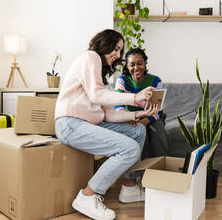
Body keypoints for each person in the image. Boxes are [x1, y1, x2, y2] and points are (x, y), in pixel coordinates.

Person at [54, 29, 159, 220]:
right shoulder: (90, 57)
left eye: (120, 51)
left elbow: (107, 114)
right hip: (70, 123)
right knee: (129, 149)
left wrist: (139, 114)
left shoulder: (98, 73)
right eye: (116, 49)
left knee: (138, 132)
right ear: (105, 43)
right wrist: (136, 97)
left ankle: (129, 189)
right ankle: (88, 195)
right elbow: (96, 95)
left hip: (90, 123)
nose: (118, 55)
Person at [114, 48, 167, 158]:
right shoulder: (122, 81)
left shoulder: (155, 81)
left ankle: (161, 167)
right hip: (129, 117)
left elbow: (158, 110)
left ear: (145, 63)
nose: (136, 68)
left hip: (151, 116)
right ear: (127, 66)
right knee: (138, 132)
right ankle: (138, 172)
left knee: (158, 130)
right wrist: (129, 118)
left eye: (140, 63)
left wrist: (145, 121)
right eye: (132, 65)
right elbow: (118, 106)